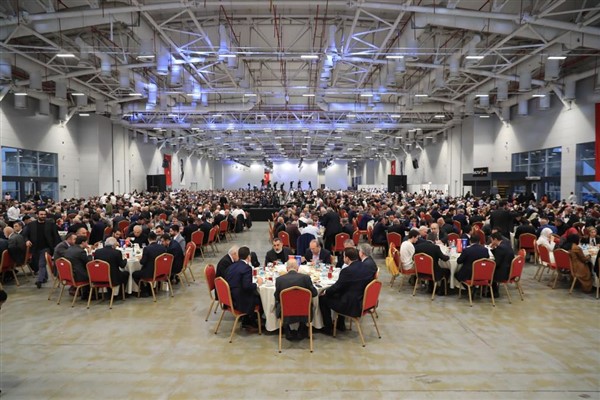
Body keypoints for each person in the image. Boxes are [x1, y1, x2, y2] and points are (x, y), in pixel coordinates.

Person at [318, 247, 373, 335]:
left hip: (351, 305)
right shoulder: (366, 267)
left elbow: (337, 287)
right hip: (362, 300)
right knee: (340, 294)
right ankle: (340, 324)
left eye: (343, 256)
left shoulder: (347, 271)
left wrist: (326, 292)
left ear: (347, 258)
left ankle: (328, 328)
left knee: (323, 299)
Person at [273, 258, 317, 341]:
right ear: (297, 268)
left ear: (287, 268)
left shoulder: (279, 280)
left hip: (285, 311)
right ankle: (301, 329)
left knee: (279, 303)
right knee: (309, 304)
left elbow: (277, 297)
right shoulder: (306, 278)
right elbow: (314, 293)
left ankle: (287, 330)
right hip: (304, 311)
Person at [224, 246, 263, 330]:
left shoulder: (231, 266)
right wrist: (257, 284)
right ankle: (251, 321)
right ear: (249, 257)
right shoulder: (246, 268)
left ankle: (249, 319)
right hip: (239, 300)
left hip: (230, 297)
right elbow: (247, 286)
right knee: (260, 298)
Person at [22, 209, 61, 289]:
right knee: (38, 264)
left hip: (46, 247)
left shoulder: (50, 224)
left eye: (44, 214)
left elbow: (56, 236)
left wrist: (56, 247)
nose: (43, 216)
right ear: (37, 215)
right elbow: (25, 235)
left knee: (41, 264)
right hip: (35, 248)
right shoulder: (31, 225)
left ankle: (39, 280)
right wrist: (27, 240)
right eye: (41, 214)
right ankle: (44, 277)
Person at [132, 232, 168, 296]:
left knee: (134, 274)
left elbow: (142, 262)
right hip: (161, 271)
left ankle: (144, 290)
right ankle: (150, 289)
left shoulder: (147, 249)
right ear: (156, 239)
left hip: (150, 273)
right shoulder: (162, 247)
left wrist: (140, 259)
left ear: (148, 239)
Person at [489, 232, 515, 297]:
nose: (491, 242)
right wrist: (493, 249)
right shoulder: (506, 245)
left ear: (495, 239)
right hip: (509, 270)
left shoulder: (500, 248)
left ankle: (493, 292)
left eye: (491, 240)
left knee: (487, 271)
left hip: (503, 273)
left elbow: (496, 263)